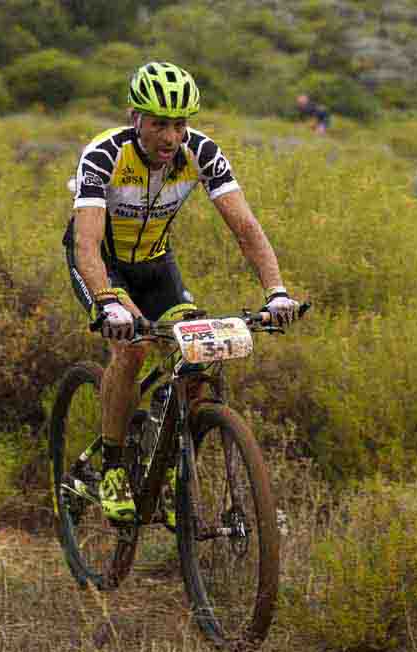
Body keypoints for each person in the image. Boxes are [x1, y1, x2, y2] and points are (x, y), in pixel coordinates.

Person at [64, 62, 301, 522]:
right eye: (158, 124)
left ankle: (172, 467)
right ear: (136, 118)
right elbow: (86, 243)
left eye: (179, 124)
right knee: (131, 350)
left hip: (156, 264)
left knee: (198, 354)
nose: (170, 137)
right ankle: (113, 467)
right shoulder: (104, 154)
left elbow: (246, 228)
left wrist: (276, 292)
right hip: (103, 265)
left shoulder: (202, 154)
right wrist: (109, 303)